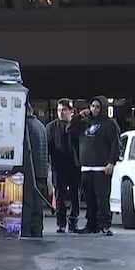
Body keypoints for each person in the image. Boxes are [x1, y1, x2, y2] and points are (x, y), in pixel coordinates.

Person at [69, 96, 121, 236]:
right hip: (86, 167)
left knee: (102, 199)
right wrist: (80, 116)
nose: (94, 109)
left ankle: (104, 225)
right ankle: (91, 225)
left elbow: (115, 144)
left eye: (97, 106)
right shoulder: (85, 122)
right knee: (89, 199)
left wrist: (111, 162)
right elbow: (70, 129)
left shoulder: (110, 124)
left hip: (102, 168)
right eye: (92, 106)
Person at [47, 99, 81, 234]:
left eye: (64, 110)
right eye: (59, 110)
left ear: (71, 111)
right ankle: (61, 223)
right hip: (58, 166)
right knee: (59, 196)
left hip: (74, 166)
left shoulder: (76, 126)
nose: (61, 113)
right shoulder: (51, 127)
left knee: (75, 195)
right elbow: (49, 146)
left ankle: (73, 222)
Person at [21, 104, 49, 239]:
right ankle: (37, 230)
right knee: (38, 203)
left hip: (31, 169)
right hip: (41, 169)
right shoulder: (40, 125)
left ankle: (26, 230)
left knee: (28, 202)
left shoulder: (27, 127)